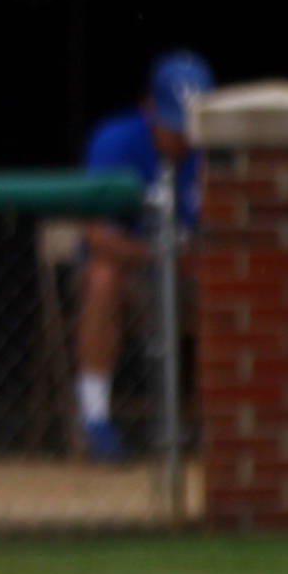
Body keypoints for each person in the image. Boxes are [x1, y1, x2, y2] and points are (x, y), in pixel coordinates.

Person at [75, 50, 213, 461]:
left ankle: (210, 426)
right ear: (148, 107)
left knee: (222, 283)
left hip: (185, 278)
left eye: (192, 125)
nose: (183, 137)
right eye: (175, 125)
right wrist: (158, 254)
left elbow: (222, 238)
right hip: (134, 276)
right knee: (103, 276)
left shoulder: (214, 153)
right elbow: (96, 235)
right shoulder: (115, 140)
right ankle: (94, 418)